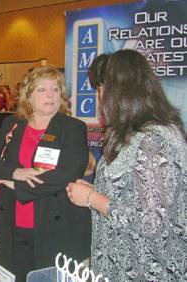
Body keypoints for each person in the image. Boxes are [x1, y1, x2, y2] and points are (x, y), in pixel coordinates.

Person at [66, 49, 187, 281]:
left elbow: (151, 222)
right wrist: (93, 192)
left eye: (101, 89)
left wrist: (92, 199)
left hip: (148, 271)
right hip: (120, 267)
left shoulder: (154, 140)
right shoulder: (134, 134)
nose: (99, 97)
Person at [0, 65, 90, 281]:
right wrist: (15, 172)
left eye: (55, 89)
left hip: (54, 225)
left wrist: (14, 184)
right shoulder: (13, 124)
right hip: (13, 223)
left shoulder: (73, 128)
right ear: (28, 96)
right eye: (42, 90)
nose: (50, 95)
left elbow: (66, 173)